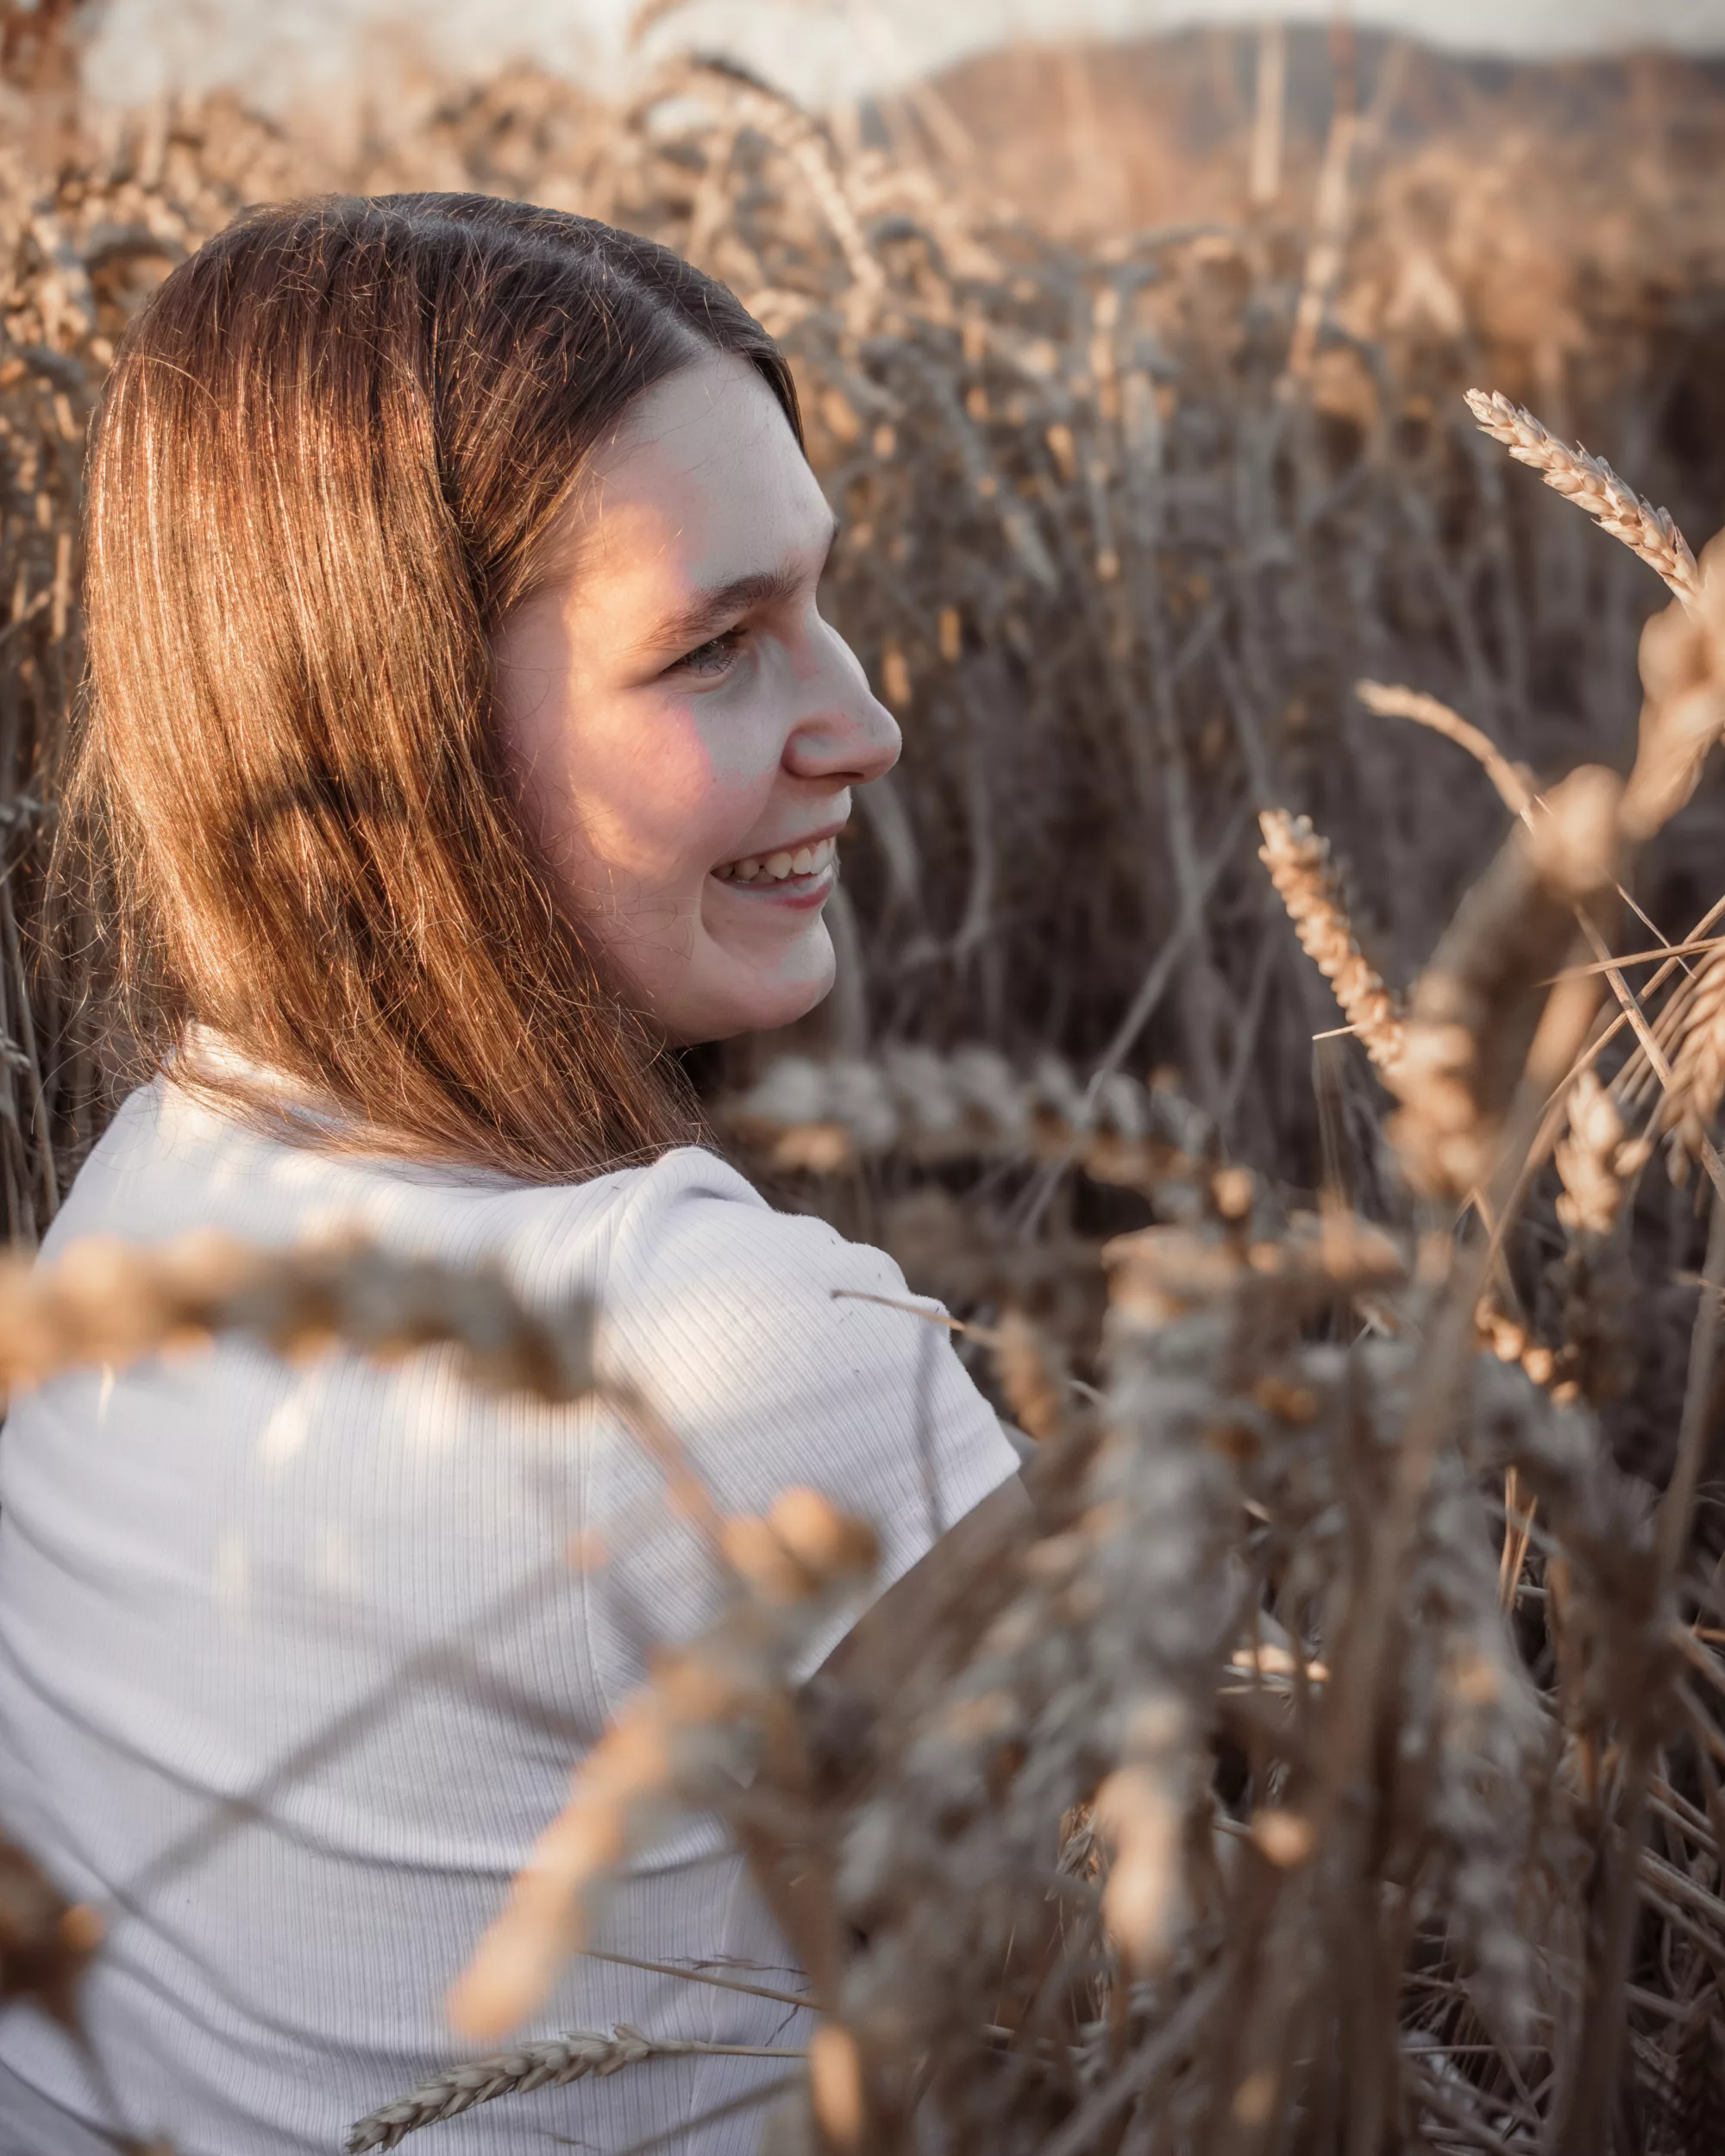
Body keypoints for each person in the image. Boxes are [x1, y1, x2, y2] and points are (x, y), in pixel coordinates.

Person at [0, 196, 1024, 2154]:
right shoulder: (734, 1339)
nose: (866, 722)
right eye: (717, 648)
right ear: (401, 734)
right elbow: (1170, 2007)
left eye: (820, 595)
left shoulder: (154, 1167)